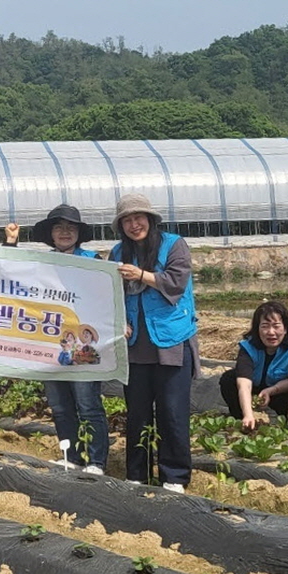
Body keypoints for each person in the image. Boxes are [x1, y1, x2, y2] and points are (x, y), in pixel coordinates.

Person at [3, 204, 110, 475]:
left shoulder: (93, 260)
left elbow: (108, 297)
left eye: (71, 228)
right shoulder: (41, 263)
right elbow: (8, 273)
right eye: (59, 228)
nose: (65, 233)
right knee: (60, 406)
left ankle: (96, 462)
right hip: (50, 344)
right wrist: (10, 243)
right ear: (51, 234)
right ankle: (71, 456)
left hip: (83, 345)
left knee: (88, 405)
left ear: (79, 233)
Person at [109, 194, 198, 493]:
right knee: (137, 412)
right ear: (121, 226)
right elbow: (111, 293)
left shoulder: (174, 245)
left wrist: (142, 275)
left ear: (151, 219)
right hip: (136, 345)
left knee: (172, 412)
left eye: (139, 218)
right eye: (128, 220)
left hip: (170, 340)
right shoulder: (119, 252)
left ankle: (174, 476)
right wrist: (119, 321)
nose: (135, 225)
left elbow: (176, 282)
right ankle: (137, 472)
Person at [219, 301, 288, 431]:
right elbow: (244, 384)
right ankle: (242, 419)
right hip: (254, 386)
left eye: (276, 326)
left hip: (280, 390)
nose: (271, 332)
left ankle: (284, 422)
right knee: (228, 379)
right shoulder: (248, 347)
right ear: (257, 329)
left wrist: (271, 391)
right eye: (265, 326)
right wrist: (248, 414)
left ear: (286, 328)